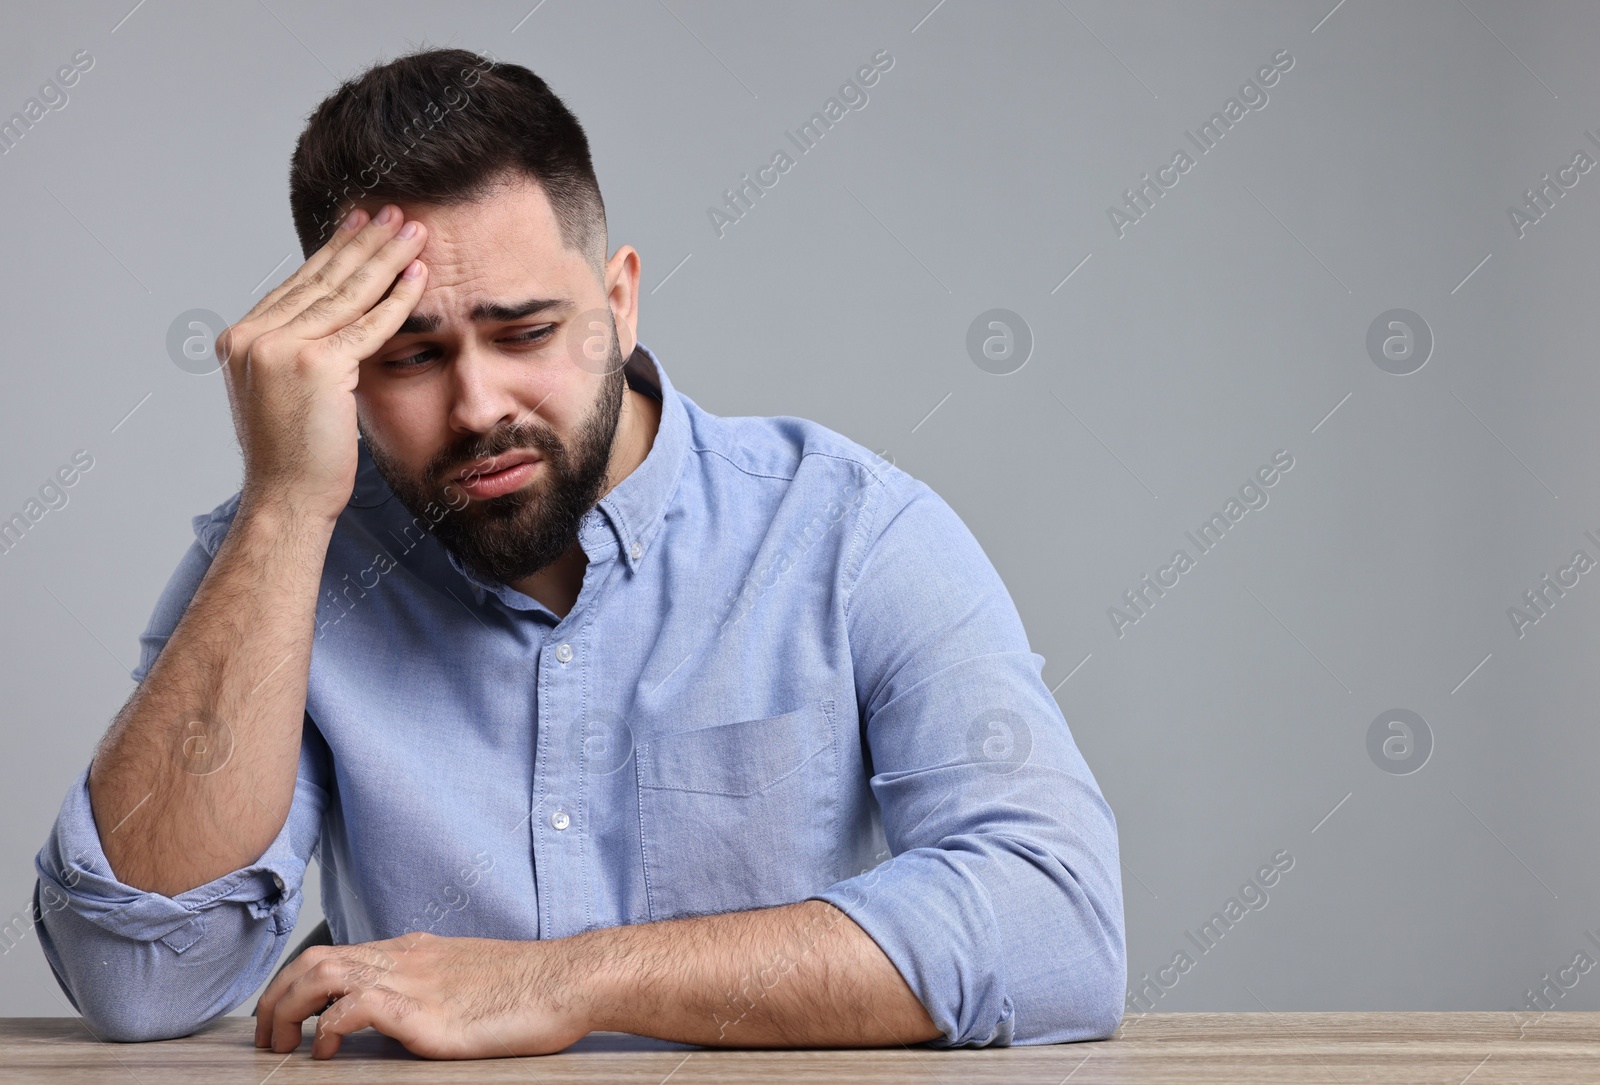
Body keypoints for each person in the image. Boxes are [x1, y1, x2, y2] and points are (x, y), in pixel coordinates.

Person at [32, 47, 1124, 1060]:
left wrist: (564, 982)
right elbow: (137, 979)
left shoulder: (849, 531)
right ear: (341, 364)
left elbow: (1056, 922)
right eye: (411, 356)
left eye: (526, 333)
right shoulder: (288, 552)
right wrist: (280, 508)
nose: (478, 403)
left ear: (617, 302)